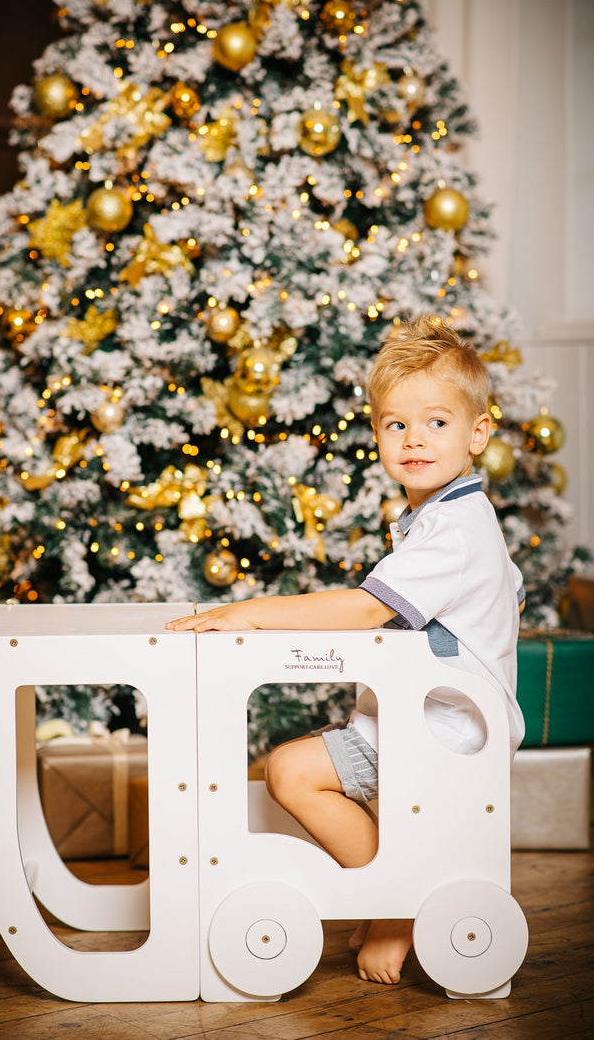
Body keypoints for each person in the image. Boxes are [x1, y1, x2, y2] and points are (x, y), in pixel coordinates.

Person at [166, 316, 525, 985]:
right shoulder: (449, 517)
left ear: (478, 434)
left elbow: (365, 608)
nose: (415, 437)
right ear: (378, 435)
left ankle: (397, 902)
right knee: (308, 767)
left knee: (289, 771)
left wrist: (249, 613)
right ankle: (386, 885)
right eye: (396, 425)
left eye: (437, 423)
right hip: (429, 721)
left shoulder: (451, 529)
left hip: (440, 734)